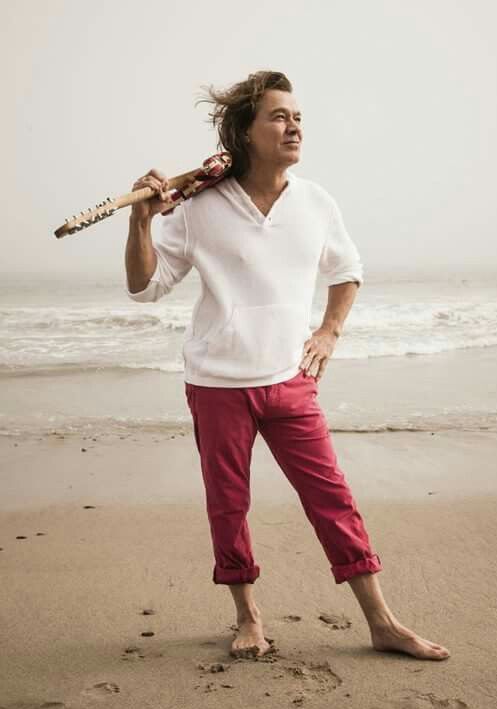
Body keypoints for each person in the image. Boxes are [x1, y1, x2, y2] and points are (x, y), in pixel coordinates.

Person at [125, 71, 449, 662]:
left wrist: (329, 331)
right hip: (218, 384)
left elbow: (347, 270)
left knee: (333, 499)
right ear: (245, 133)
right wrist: (141, 220)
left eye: (296, 115)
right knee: (228, 504)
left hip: (290, 382)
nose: (293, 125)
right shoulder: (198, 206)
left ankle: (381, 622)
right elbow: (144, 288)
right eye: (277, 116)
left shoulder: (316, 201)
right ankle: (247, 617)